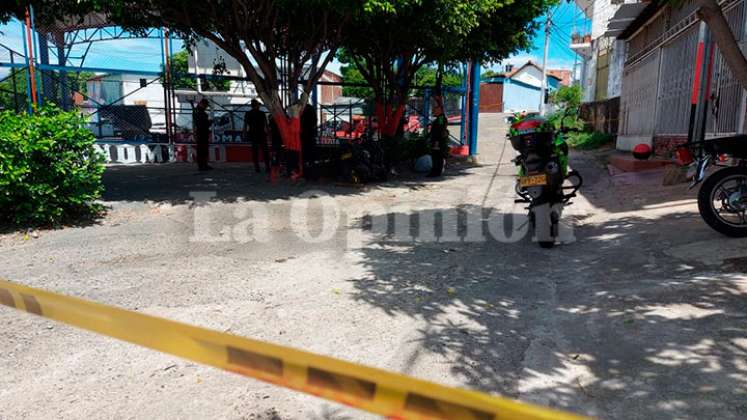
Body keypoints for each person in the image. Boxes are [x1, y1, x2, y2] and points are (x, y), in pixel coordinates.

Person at [244, 99, 270, 173]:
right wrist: (268, 133)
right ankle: (267, 166)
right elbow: (266, 125)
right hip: (261, 133)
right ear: (257, 105)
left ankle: (257, 167)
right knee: (265, 151)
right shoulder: (262, 113)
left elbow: (245, 125)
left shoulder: (248, 113)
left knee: (255, 151)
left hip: (253, 133)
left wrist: (245, 133)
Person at [427, 97, 449, 177]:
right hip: (437, 140)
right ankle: (435, 171)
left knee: (437, 157)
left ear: (440, 110)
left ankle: (436, 172)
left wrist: (437, 141)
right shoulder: (439, 118)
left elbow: (440, 129)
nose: (434, 111)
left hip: (438, 141)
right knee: (436, 156)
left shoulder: (441, 118)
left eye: (435, 109)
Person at [194, 98, 212, 171]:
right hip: (202, 132)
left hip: (201, 132)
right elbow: (202, 124)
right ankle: (202, 165)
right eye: (206, 105)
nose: (206, 107)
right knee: (202, 149)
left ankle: (203, 164)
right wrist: (209, 122)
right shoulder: (200, 113)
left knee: (203, 149)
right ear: (202, 104)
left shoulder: (198, 112)